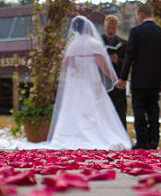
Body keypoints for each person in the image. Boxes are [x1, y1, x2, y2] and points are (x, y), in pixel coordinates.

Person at [41, 16, 131, 150]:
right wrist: (115, 80)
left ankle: (75, 137)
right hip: (92, 82)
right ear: (88, 27)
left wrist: (78, 66)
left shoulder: (72, 45)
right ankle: (95, 136)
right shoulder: (94, 44)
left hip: (76, 83)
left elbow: (66, 63)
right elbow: (103, 66)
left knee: (76, 109)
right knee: (96, 110)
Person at [118, 4, 161, 150]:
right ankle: (154, 140)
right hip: (155, 79)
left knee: (139, 109)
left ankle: (142, 140)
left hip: (139, 78)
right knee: (153, 109)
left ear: (140, 15)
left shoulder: (136, 32)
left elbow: (129, 56)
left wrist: (123, 77)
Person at [101, 15, 127, 129]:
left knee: (119, 109)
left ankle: (121, 133)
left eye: (113, 27)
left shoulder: (123, 43)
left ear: (116, 27)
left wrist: (117, 60)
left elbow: (127, 62)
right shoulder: (98, 41)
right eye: (108, 27)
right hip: (101, 81)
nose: (110, 30)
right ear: (104, 26)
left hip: (118, 81)